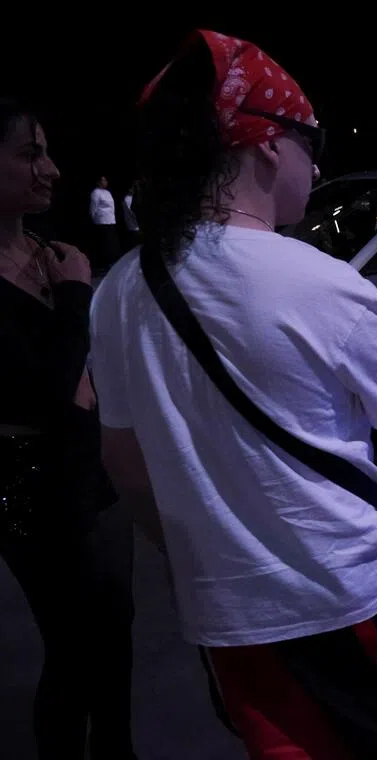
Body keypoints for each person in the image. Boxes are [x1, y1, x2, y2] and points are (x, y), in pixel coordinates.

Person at [89, 30, 377, 760]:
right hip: (352, 600)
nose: (317, 163)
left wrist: (197, 556)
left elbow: (124, 461)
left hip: (224, 618)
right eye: (308, 142)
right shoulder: (318, 281)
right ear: (266, 145)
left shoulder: (118, 293)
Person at [0, 99, 136, 760]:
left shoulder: (46, 250)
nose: (51, 170)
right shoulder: (63, 269)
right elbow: (47, 388)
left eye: (49, 152)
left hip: (92, 472)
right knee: (73, 649)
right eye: (30, 153)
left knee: (117, 631)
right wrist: (79, 296)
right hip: (30, 490)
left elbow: (81, 368)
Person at [89, 175, 118, 271]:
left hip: (111, 220)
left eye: (106, 180)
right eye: (103, 180)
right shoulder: (95, 193)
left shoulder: (108, 192)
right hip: (102, 221)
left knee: (111, 243)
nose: (105, 182)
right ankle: (104, 264)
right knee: (104, 244)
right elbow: (93, 208)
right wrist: (95, 220)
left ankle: (111, 262)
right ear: (98, 182)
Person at [122, 180, 140, 250]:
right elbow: (129, 212)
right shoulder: (126, 199)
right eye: (132, 188)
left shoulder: (135, 197)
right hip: (133, 224)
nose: (133, 189)